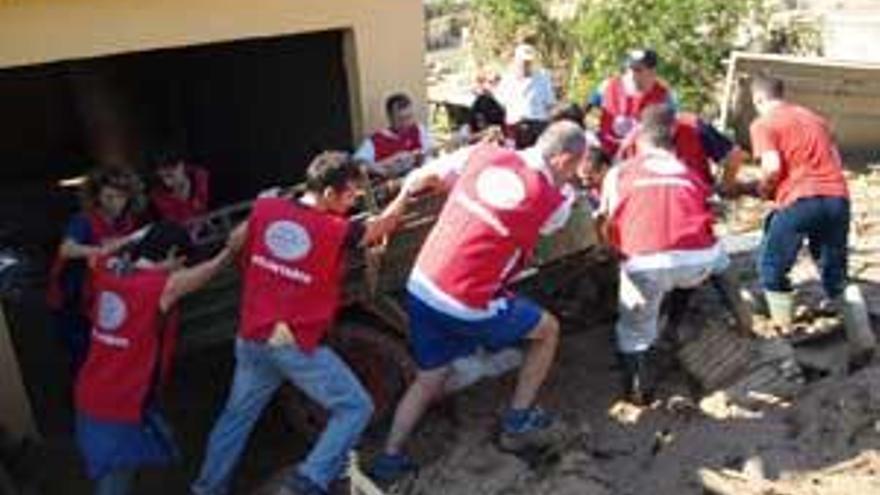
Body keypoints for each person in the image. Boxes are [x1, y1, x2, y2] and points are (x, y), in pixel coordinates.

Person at [369, 121, 586, 482]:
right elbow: (546, 226)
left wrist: (396, 206)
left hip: (422, 284)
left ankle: (389, 457)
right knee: (548, 330)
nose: (574, 174)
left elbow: (422, 177)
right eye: (575, 166)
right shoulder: (556, 201)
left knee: (429, 377)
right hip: (465, 298)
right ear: (563, 160)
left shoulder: (482, 153)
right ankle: (517, 421)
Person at [192, 152, 412, 495]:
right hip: (291, 343)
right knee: (355, 406)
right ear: (327, 193)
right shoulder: (334, 230)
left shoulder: (265, 210)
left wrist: (261, 212)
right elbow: (380, 228)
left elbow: (234, 241)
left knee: (235, 419)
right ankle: (309, 480)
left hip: (252, 337)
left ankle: (206, 488)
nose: (354, 199)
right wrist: (406, 193)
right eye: (350, 194)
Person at [74, 222, 231, 495]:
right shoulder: (157, 287)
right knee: (114, 478)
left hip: (96, 390)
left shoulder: (109, 270)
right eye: (181, 262)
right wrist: (231, 249)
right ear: (171, 253)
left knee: (138, 454)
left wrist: (135, 235)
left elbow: (97, 253)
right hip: (119, 402)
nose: (181, 269)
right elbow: (209, 271)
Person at [601, 108, 728, 404]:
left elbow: (606, 221)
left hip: (647, 263)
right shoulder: (689, 173)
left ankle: (638, 392)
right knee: (707, 261)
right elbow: (711, 212)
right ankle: (676, 320)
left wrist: (613, 251)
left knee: (633, 330)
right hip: (700, 262)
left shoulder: (620, 172)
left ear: (640, 144)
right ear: (672, 150)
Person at [745, 73, 850, 332]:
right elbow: (835, 159)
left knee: (772, 265)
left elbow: (772, 167)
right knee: (832, 266)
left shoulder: (763, 123)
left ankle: (783, 326)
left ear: (758, 98)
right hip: (837, 197)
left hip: (801, 200)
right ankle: (855, 326)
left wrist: (764, 188)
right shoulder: (814, 118)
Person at [47, 168, 144, 376]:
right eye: (109, 196)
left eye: (121, 197)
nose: (115, 202)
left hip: (99, 300)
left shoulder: (127, 222)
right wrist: (102, 250)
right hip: (70, 300)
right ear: (97, 196)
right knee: (82, 358)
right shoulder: (83, 220)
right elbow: (66, 249)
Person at [616, 104, 745, 191]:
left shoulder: (695, 127)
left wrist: (722, 188)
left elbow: (734, 155)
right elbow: (616, 179)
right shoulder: (631, 141)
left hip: (695, 198)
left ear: (675, 125)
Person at [586, 49, 676, 157]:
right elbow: (585, 112)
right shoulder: (608, 86)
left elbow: (671, 132)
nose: (632, 74)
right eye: (630, 68)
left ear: (652, 71)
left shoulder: (665, 96)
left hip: (641, 160)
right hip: (605, 158)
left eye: (638, 70)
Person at [354, 93, 434, 178]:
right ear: (390, 117)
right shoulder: (375, 141)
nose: (406, 123)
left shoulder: (419, 130)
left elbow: (431, 152)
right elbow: (358, 163)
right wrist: (383, 168)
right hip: (390, 186)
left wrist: (420, 158)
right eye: (401, 119)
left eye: (409, 117)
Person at [495, 43, 557, 149]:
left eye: (529, 62)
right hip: (514, 125)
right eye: (523, 61)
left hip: (537, 124)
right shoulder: (507, 79)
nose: (526, 64)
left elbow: (550, 104)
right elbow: (500, 104)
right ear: (516, 60)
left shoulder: (543, 77)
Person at [149, 149, 211, 225]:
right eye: (161, 178)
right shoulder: (158, 198)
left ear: (181, 166)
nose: (167, 183)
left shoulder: (204, 179)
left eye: (170, 175)